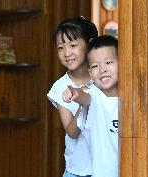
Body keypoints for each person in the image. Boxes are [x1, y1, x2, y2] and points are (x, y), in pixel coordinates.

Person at [47, 17, 98, 177]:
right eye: (60, 48)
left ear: (89, 44)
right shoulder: (60, 87)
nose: (66, 53)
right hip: (77, 171)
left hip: (108, 167)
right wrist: (83, 100)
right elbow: (72, 132)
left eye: (73, 45)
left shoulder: (104, 78)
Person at [62, 35, 119, 177]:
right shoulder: (94, 95)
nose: (102, 69)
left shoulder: (132, 97)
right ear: (90, 73)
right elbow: (85, 96)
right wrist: (74, 94)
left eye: (108, 62)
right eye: (95, 66)